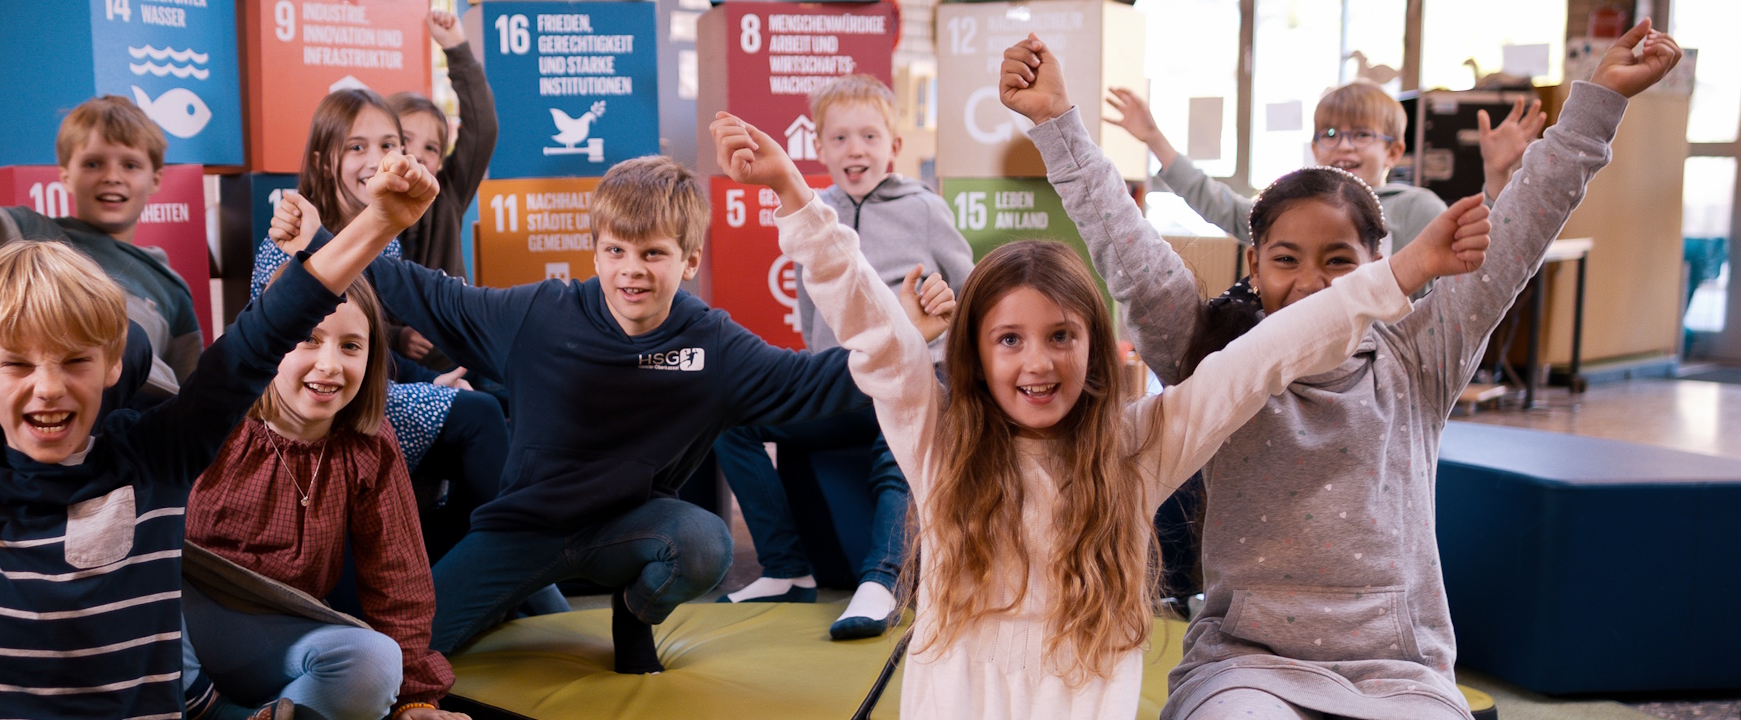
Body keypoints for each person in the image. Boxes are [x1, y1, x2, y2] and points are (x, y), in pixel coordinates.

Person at [711, 43, 1489, 711]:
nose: (1037, 362)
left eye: (1061, 336)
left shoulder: (1136, 447)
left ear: (1100, 348)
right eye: (1009, 340)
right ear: (975, 354)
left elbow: (1263, 357)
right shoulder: (943, 442)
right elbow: (877, 334)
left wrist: (1401, 274)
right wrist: (793, 196)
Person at [1012, 22, 1676, 719]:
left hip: (1398, 671)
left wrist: (1598, 99)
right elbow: (1130, 253)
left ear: (1379, 263)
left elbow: (1519, 236)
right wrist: (1057, 124)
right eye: (1286, 260)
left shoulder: (1417, 357)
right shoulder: (1218, 363)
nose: (1310, 284)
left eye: (1338, 261)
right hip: (1246, 667)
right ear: (1253, 266)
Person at [272, 155, 950, 674]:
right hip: (522, 531)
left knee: (704, 544)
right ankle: (511, 603)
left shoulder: (710, 346)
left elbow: (815, 381)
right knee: (394, 660)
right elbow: (415, 291)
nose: (632, 271)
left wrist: (905, 334)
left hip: (631, 532)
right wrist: (316, 240)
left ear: (688, 259)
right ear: (594, 250)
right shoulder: (539, 315)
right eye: (616, 251)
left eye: (654, 253)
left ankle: (634, 611)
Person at [0, 150, 437, 718]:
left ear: (114, 364)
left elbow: (264, 336)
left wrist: (378, 223)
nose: (48, 387)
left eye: (75, 361)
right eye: (18, 364)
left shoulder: (156, 457)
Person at [713, 73, 974, 640]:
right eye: (839, 138)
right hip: (843, 380)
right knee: (730, 418)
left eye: (869, 136)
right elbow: (812, 316)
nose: (855, 149)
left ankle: (883, 579)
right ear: (820, 147)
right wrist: (816, 386)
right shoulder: (811, 210)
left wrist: (945, 317)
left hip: (913, 374)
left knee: (900, 424)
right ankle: (786, 567)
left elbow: (971, 293)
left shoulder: (925, 209)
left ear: (893, 146)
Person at [180, 271, 462, 720]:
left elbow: (397, 578)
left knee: (376, 661)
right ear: (268, 342)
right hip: (181, 630)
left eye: (350, 346)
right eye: (307, 339)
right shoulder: (217, 419)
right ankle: (216, 713)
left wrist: (415, 696)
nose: (330, 364)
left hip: (280, 635)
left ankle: (266, 714)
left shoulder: (369, 445)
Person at [261, 87, 520, 571]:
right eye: (356, 146)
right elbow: (279, 353)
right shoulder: (290, 234)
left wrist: (431, 380)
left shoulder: (387, 238)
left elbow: (373, 349)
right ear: (322, 161)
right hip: (322, 403)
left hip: (373, 387)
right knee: (481, 414)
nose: (374, 159)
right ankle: (507, 568)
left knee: (487, 402)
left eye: (387, 145)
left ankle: (475, 569)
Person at [0, 21, 201, 403]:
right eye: (92, 163)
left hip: (126, 431)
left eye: (130, 165)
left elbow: (191, 403)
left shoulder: (170, 289)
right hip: (23, 426)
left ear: (155, 179)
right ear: (65, 176)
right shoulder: (21, 238)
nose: (112, 177)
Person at [1105, 76, 1542, 253]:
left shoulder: (1416, 208)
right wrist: (1155, 138)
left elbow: (1476, 250)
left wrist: (1497, 177)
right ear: (1314, 148)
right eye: (1330, 135)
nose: (1343, 147)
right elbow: (1221, 205)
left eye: (1362, 134)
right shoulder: (1296, 205)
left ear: (1394, 151)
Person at [389, 8, 496, 281]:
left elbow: (482, 128)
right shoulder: (359, 203)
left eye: (431, 148)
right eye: (404, 141)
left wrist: (456, 48)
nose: (417, 155)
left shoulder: (447, 195)